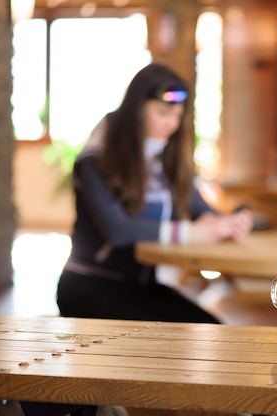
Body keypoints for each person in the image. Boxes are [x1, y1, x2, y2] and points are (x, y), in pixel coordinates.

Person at [56, 62, 253, 324]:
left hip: (140, 287)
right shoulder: (95, 160)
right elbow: (119, 230)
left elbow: (199, 208)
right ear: (136, 110)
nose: (171, 124)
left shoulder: (161, 160)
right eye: (163, 113)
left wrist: (231, 222)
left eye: (177, 115)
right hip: (89, 287)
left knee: (215, 329)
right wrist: (191, 233)